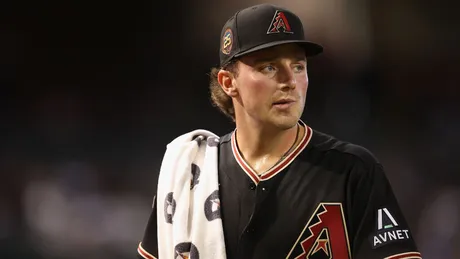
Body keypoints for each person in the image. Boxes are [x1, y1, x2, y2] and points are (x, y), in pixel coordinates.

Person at [137, 3, 422, 259]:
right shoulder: (192, 173)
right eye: (269, 67)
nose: (290, 81)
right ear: (228, 82)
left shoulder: (353, 171)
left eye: (298, 66)